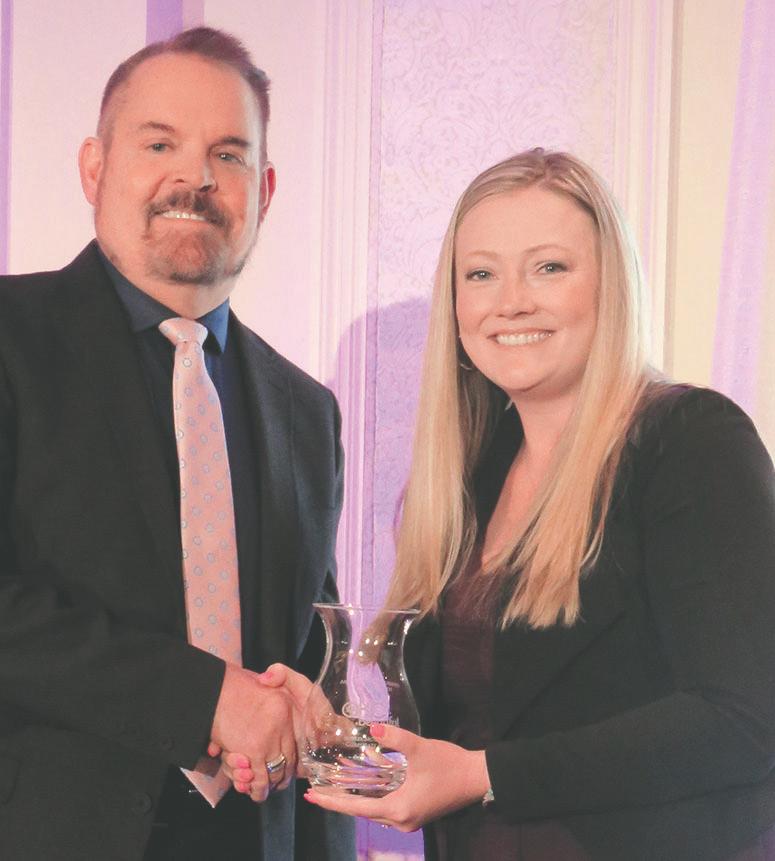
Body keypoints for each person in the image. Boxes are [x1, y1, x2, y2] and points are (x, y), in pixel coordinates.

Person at [281, 149, 775, 860]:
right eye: (481, 274)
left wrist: (483, 776)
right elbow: (473, 730)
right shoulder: (470, 478)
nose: (510, 301)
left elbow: (746, 720)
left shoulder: (689, 442)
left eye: (548, 267)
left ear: (610, 287)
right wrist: (333, 728)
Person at [0, 26, 354, 861]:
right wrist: (204, 699)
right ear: (94, 167)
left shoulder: (307, 412)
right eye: (160, 144)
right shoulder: (11, 341)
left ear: (265, 189)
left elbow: (314, 664)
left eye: (228, 154)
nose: (194, 177)